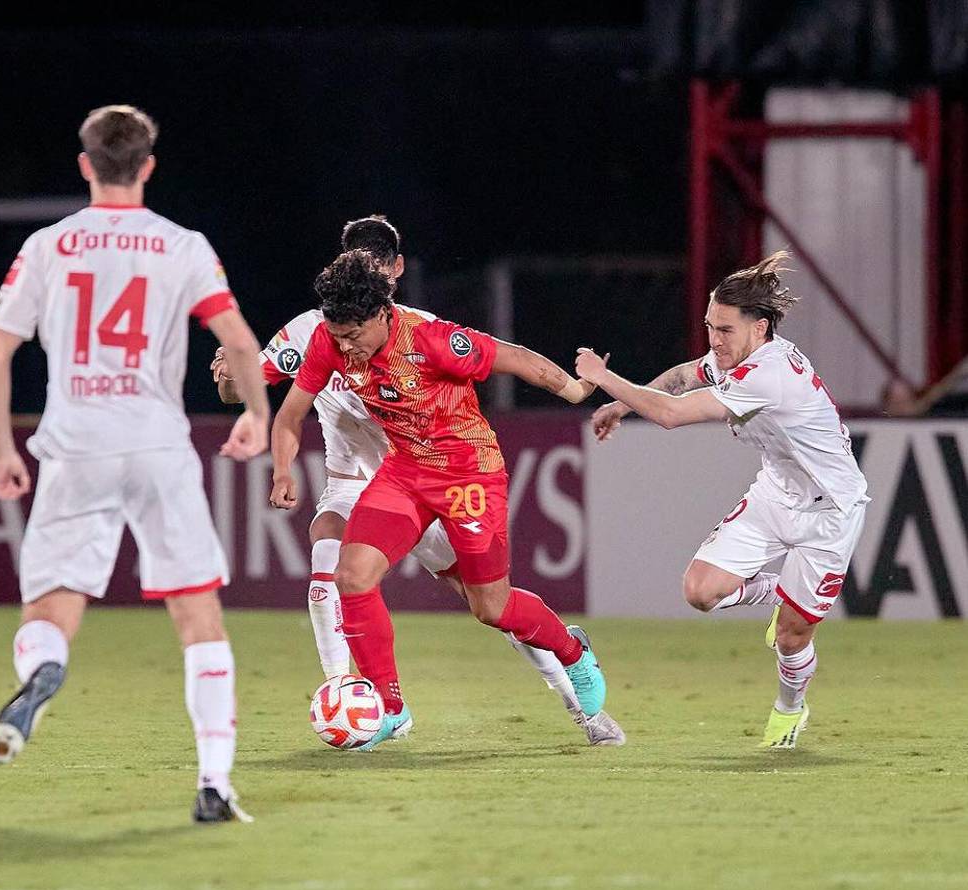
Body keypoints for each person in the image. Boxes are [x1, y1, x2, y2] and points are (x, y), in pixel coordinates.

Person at [214, 216, 623, 745]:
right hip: (404, 471)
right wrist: (284, 469)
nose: (347, 348)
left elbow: (514, 358)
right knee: (351, 574)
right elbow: (291, 413)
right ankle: (388, 707)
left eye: (355, 335)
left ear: (383, 312)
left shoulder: (432, 339)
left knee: (489, 607)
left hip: (467, 473)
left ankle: (573, 652)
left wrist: (573, 391)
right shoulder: (326, 340)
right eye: (338, 336)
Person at [0, 104, 270, 822]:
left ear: (84, 164)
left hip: (75, 446)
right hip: (157, 445)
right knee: (198, 616)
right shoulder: (182, 245)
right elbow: (234, 337)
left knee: (50, 607)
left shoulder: (49, 246)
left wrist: (2, 450)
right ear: (147, 166)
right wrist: (257, 417)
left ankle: (44, 669)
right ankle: (213, 783)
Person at [575, 251, 869, 749]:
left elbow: (671, 414)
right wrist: (623, 405)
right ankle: (781, 593)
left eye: (725, 330)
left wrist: (602, 379)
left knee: (792, 638)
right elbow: (682, 377)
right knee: (700, 591)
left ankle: (789, 710)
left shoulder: (771, 375)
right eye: (710, 326)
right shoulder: (740, 356)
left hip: (831, 512)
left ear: (761, 329)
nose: (715, 340)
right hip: (776, 496)